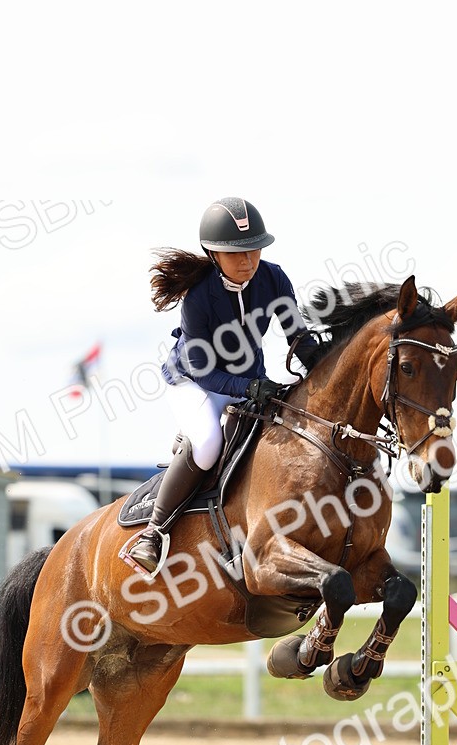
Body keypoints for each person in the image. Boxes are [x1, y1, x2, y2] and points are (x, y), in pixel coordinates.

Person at [125, 196, 322, 575]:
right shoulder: (199, 298)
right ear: (213, 254)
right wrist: (249, 389)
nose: (248, 261)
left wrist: (323, 370)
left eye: (254, 251)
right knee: (209, 443)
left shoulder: (274, 278)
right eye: (237, 254)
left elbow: (298, 337)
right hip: (195, 383)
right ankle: (153, 532)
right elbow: (203, 371)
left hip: (250, 378)